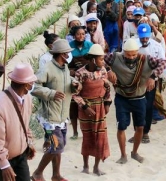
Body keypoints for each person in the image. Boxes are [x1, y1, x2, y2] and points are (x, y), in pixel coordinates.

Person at [105, 39, 166, 164]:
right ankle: (123, 155)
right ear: (124, 52)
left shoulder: (146, 59)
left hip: (139, 98)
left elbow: (164, 62)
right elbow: (100, 60)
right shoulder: (115, 57)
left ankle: (134, 152)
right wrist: (108, 70)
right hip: (122, 98)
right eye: (128, 55)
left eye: (134, 54)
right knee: (121, 126)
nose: (131, 57)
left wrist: (153, 76)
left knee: (140, 126)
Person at [31, 40, 78, 181]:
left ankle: (56, 175)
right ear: (62, 54)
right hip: (50, 117)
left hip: (62, 115)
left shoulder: (64, 68)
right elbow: (34, 87)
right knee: (57, 145)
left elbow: (68, 82)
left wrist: (76, 85)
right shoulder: (47, 68)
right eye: (67, 53)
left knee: (59, 145)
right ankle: (38, 173)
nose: (69, 55)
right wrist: (51, 93)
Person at [0, 63, 37, 181]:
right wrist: (4, 165)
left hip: (20, 156)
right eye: (32, 81)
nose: (33, 84)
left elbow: (25, 123)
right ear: (27, 85)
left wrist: (28, 142)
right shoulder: (0, 104)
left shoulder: (27, 98)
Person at [72, 44, 111, 175]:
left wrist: (107, 103)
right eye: (100, 59)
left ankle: (96, 167)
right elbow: (75, 94)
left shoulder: (103, 71)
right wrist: (85, 106)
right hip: (85, 109)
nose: (103, 62)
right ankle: (85, 166)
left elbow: (107, 89)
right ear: (93, 59)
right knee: (88, 137)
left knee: (100, 137)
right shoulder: (81, 73)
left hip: (99, 107)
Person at [127, 24, 166, 144]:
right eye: (142, 37)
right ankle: (137, 131)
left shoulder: (156, 46)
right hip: (135, 81)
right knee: (135, 106)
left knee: (148, 106)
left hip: (150, 80)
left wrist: (154, 77)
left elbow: (163, 63)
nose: (144, 39)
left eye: (146, 37)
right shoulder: (132, 44)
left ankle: (145, 133)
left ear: (150, 35)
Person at [68, 26, 94, 139]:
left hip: (87, 77)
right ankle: (75, 131)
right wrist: (71, 71)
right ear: (74, 35)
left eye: (83, 34)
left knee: (88, 103)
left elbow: (94, 61)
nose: (81, 36)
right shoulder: (69, 47)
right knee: (73, 105)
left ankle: (89, 130)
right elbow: (65, 63)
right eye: (78, 34)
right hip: (73, 78)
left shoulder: (90, 46)